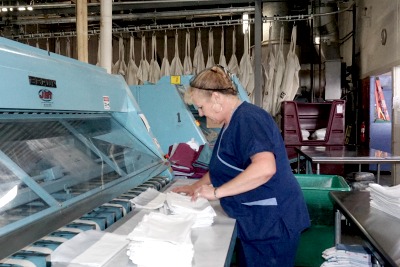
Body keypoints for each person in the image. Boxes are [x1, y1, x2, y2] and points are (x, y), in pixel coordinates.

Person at [172, 65, 310, 267]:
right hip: (256, 220)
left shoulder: (248, 119)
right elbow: (223, 166)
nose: (201, 113)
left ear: (217, 98)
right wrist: (195, 186)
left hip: (272, 223)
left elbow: (265, 168)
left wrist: (218, 192)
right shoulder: (230, 122)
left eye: (201, 107)